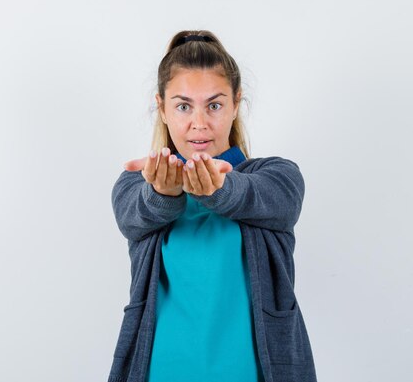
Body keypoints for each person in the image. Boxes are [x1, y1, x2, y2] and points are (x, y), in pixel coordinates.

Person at [107, 30, 318, 382]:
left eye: (215, 105)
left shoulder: (275, 176)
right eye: (183, 106)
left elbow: (266, 197)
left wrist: (220, 187)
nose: (199, 123)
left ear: (236, 103)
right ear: (161, 108)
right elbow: (135, 215)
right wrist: (162, 192)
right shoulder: (137, 184)